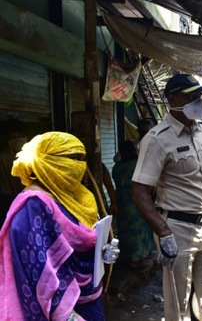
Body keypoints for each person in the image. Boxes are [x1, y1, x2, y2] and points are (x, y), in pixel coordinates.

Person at [132, 74, 202, 320]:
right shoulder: (156, 139)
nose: (198, 101)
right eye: (191, 96)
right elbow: (139, 191)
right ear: (172, 99)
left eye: (199, 96)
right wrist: (163, 232)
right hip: (177, 228)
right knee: (178, 302)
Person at [0, 132, 119, 320]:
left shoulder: (78, 196)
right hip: (61, 308)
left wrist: (101, 253)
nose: (78, 166)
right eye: (71, 159)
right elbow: (35, 266)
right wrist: (66, 313)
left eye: (81, 159)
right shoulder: (33, 205)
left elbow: (82, 241)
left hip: (90, 294)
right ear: (47, 161)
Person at [112, 140, 155, 269]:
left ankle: (127, 255)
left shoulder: (116, 167)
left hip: (121, 199)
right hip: (136, 198)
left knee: (125, 229)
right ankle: (137, 258)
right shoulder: (137, 165)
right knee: (139, 228)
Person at [0, 119, 27, 226]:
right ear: (7, 139)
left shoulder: (35, 153)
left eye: (20, 136)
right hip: (14, 200)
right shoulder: (4, 157)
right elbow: (4, 185)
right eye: (12, 137)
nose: (17, 140)